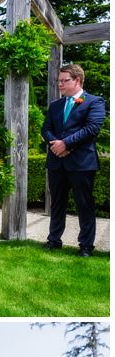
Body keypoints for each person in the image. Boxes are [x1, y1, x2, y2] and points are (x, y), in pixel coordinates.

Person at [42, 63, 106, 257]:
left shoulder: (94, 102)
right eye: (59, 81)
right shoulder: (55, 105)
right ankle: (54, 241)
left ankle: (86, 246)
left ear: (77, 80)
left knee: (84, 204)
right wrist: (55, 144)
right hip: (56, 161)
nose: (60, 84)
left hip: (82, 163)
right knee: (57, 203)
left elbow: (91, 129)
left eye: (65, 81)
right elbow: (45, 129)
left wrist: (66, 144)